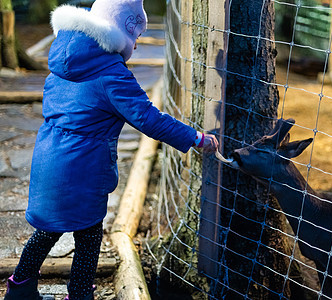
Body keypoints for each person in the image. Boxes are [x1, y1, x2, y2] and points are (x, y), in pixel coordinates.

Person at [4, 0, 218, 299]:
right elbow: (147, 118)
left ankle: (20, 288)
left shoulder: (63, 58)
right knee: (89, 234)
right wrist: (194, 138)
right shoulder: (111, 72)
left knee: (49, 229)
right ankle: (79, 293)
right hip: (84, 165)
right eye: (137, 35)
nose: (138, 43)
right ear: (124, 30)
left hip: (49, 154)